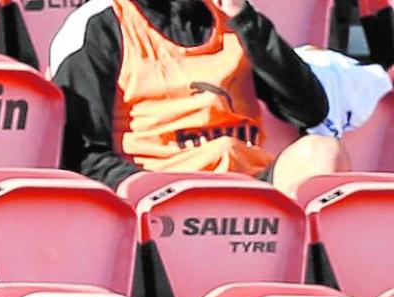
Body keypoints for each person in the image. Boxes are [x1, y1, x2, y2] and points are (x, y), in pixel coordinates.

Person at [50, 0, 346, 196]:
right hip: (159, 193)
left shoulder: (234, 16)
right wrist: (159, 191)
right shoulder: (100, 24)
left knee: (322, 154)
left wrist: (247, 22)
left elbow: (312, 111)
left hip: (252, 187)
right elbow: (82, 156)